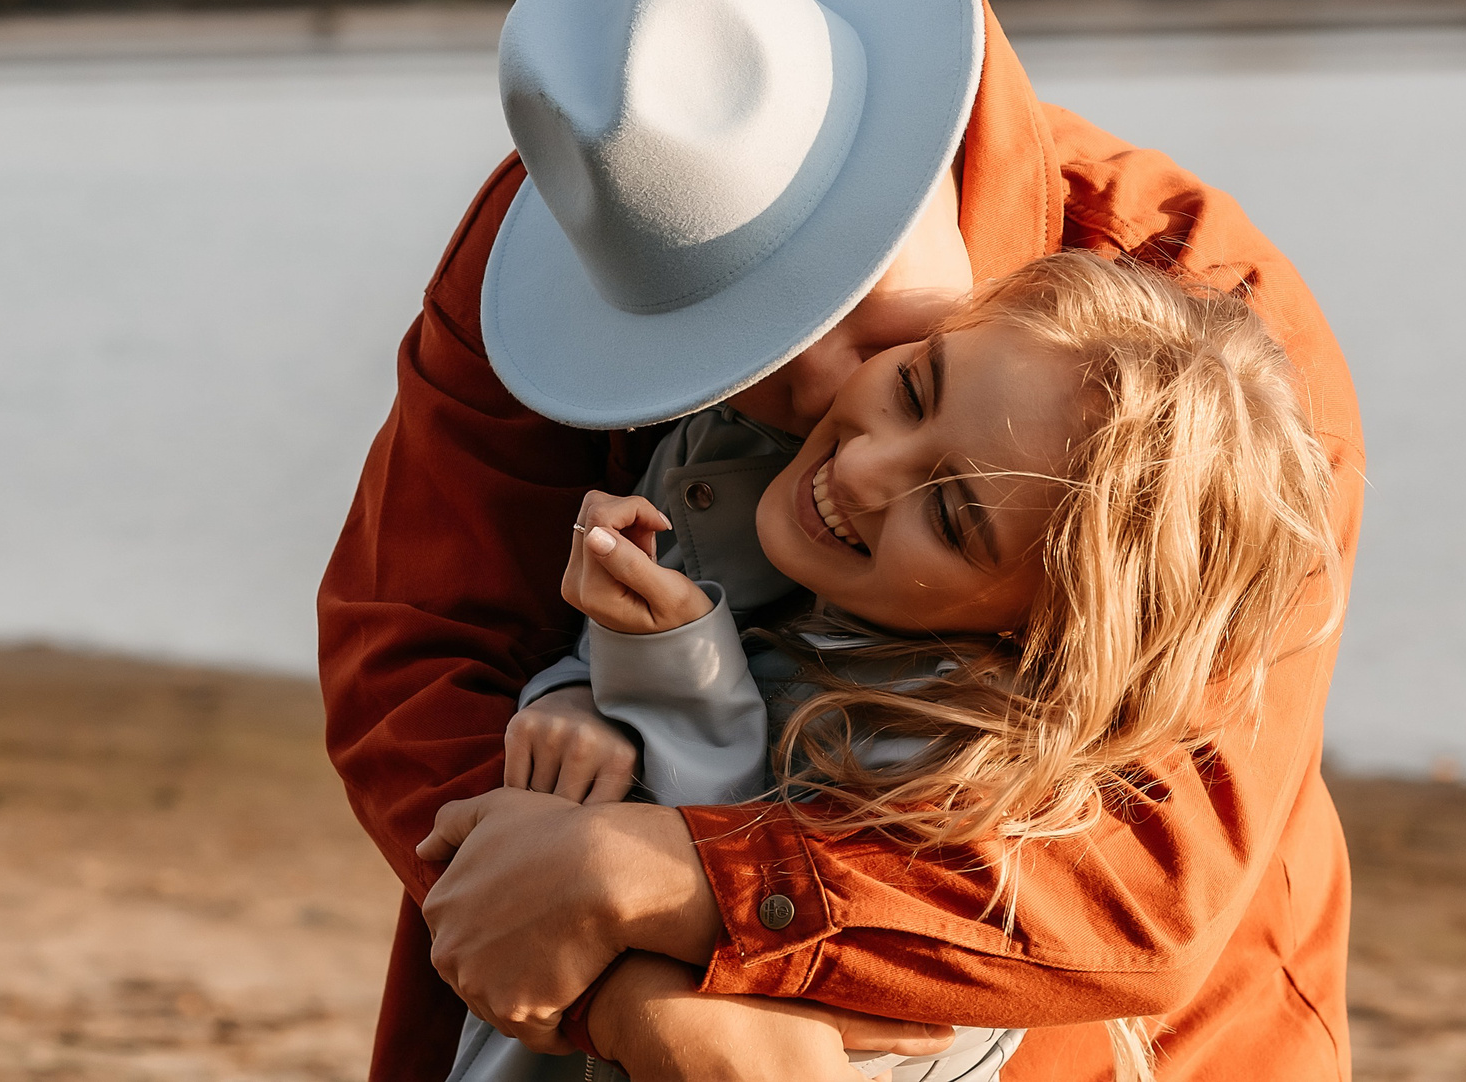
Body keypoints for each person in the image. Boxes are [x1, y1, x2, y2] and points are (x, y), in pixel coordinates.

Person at [318, 0, 1365, 1081]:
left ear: (921, 144)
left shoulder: (1211, 350)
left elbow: (1146, 877)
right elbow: (413, 640)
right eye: (731, 348)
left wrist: (673, 878)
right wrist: (631, 992)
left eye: (850, 298)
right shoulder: (591, 208)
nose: (827, 396)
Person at [443, 249, 1341, 1082]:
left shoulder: (975, 796)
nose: (865, 467)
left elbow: (759, 1013)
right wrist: (578, 689)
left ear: (1046, 633)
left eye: (951, 516)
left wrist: (668, 677)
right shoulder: (729, 479)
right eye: (915, 387)